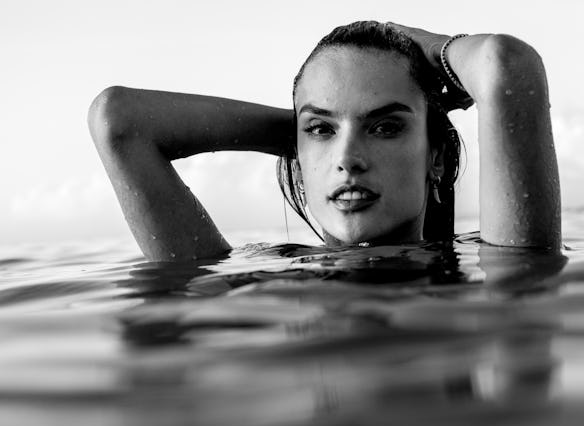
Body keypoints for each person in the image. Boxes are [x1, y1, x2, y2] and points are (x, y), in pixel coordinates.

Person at [88, 21, 560, 262]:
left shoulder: (501, 258)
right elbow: (119, 120)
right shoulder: (252, 282)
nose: (348, 160)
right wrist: (298, 137)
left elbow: (505, 65)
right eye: (321, 130)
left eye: (385, 127)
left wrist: (420, 42)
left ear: (435, 156)